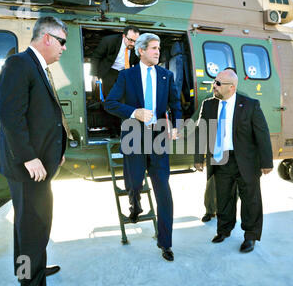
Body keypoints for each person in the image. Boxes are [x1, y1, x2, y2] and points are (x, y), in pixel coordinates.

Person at [0, 16, 71, 286]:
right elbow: (9, 115)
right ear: (47, 39)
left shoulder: (37, 67)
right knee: (33, 231)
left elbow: (45, 115)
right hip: (28, 168)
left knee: (27, 230)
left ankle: (29, 269)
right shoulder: (19, 64)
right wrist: (29, 157)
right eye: (62, 42)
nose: (64, 48)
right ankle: (32, 282)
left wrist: (58, 149)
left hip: (38, 165)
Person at [104, 33, 182, 262]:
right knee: (134, 182)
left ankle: (165, 243)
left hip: (158, 140)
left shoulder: (166, 76)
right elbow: (110, 103)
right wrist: (134, 112)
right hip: (133, 138)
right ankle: (135, 203)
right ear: (141, 51)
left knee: (163, 192)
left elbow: (176, 105)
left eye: (159, 48)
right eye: (154, 48)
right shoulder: (126, 76)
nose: (158, 52)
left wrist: (176, 126)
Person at [194, 69, 273, 253]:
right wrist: (199, 158)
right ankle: (224, 230)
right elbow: (201, 133)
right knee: (223, 198)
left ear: (232, 87)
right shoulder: (209, 105)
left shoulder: (250, 105)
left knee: (250, 199)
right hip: (221, 159)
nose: (214, 86)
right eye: (215, 82)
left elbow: (262, 133)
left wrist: (266, 161)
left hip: (246, 160)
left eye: (218, 83)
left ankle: (250, 236)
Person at [200, 67, 238, 223]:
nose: (216, 84)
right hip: (215, 149)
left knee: (231, 186)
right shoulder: (210, 102)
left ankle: (228, 214)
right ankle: (210, 210)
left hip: (232, 151)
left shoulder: (240, 102)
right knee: (212, 182)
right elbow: (201, 127)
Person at [90, 26, 140, 137]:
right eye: (130, 40)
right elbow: (96, 57)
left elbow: (138, 63)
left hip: (125, 73)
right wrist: (94, 75)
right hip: (110, 72)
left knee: (126, 102)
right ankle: (113, 130)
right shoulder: (109, 41)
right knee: (111, 101)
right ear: (123, 36)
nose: (133, 43)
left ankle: (125, 130)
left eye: (135, 41)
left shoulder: (137, 47)